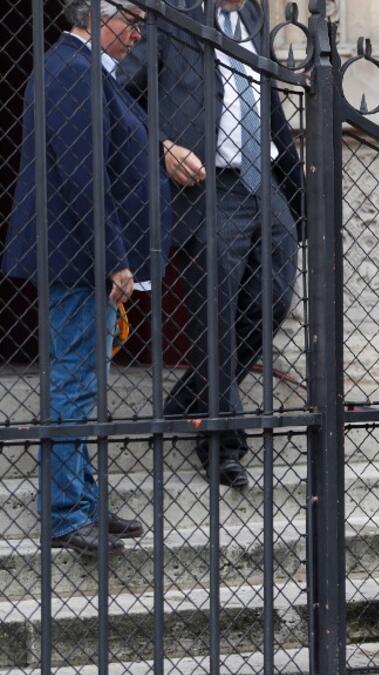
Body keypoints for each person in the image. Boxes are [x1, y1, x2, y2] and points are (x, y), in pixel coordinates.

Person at [2, 0, 172, 554]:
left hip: (83, 258)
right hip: (80, 260)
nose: (138, 33)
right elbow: (83, 177)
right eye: (133, 21)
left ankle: (83, 499)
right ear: (99, 17)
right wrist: (115, 259)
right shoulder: (71, 71)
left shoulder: (86, 71)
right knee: (74, 384)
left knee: (83, 383)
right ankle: (66, 512)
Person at [118, 0, 303, 489]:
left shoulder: (253, 19)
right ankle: (222, 441)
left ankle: (189, 397)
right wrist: (161, 148)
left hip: (264, 181)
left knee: (274, 299)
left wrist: (297, 191)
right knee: (215, 315)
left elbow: (268, 105)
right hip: (205, 186)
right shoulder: (170, 17)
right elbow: (116, 96)